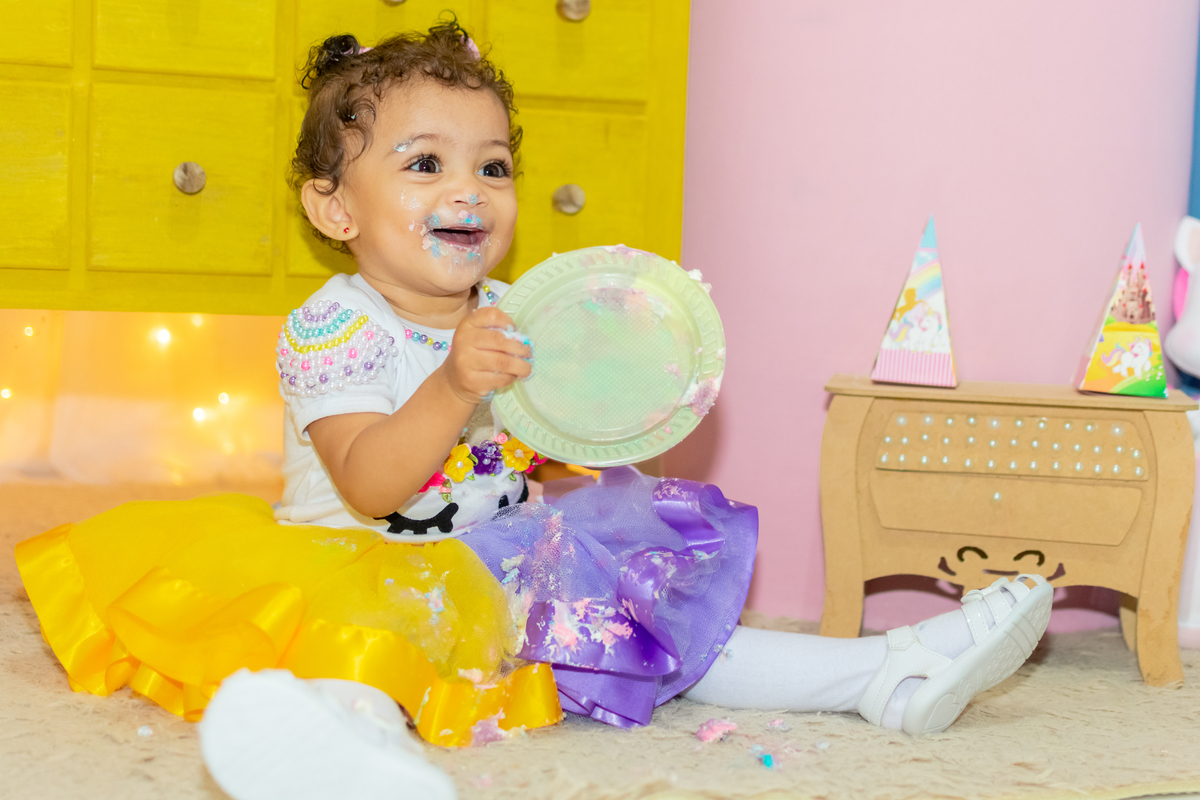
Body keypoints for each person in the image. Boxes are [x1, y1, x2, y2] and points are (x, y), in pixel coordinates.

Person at [14, 20, 1053, 800]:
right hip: (363, 561)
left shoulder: (522, 309)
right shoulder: (334, 325)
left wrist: (606, 429)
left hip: (503, 564)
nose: (469, 188)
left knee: (667, 625)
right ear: (334, 207)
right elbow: (371, 484)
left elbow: (537, 457)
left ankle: (885, 670)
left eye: (494, 165)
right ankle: (348, 755)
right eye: (425, 163)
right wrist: (454, 384)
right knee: (366, 653)